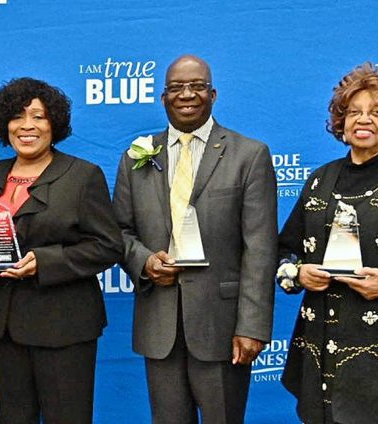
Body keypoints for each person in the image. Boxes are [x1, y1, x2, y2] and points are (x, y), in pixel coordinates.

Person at [112, 54, 277, 423]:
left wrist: (251, 326)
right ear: (163, 97)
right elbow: (118, 232)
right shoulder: (136, 158)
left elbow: (261, 249)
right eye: (176, 87)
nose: (186, 94)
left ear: (213, 94)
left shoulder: (249, 155)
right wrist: (145, 262)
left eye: (197, 86)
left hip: (223, 326)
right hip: (160, 327)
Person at [278, 63, 378, 424]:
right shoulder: (320, 181)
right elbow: (283, 252)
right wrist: (298, 273)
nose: (363, 119)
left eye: (377, 112)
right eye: (354, 112)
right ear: (341, 122)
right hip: (322, 352)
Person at [0, 77, 123, 424]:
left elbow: (108, 246)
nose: (27, 126)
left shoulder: (83, 176)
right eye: (17, 116)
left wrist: (44, 261)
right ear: (5, 124)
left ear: (55, 124)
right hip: (4, 324)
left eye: (38, 116)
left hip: (64, 326)